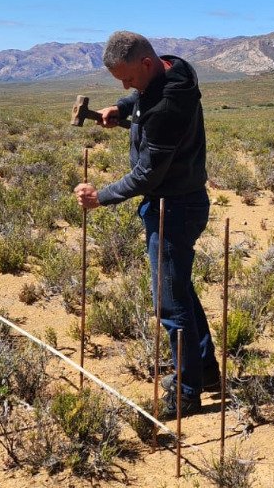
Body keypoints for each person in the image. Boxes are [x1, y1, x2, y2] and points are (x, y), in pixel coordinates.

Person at [74, 30, 217, 417]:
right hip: (177, 200)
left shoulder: (169, 107)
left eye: (128, 78)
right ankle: (203, 370)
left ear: (147, 64)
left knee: (170, 303)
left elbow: (145, 177)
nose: (125, 85)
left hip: (174, 206)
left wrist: (99, 197)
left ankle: (187, 392)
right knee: (179, 290)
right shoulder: (173, 69)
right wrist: (121, 108)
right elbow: (142, 98)